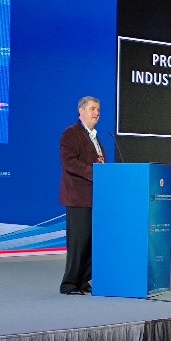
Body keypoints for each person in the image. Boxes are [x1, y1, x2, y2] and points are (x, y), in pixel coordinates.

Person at [59, 96, 105, 295]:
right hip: (78, 198)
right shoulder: (71, 133)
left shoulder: (95, 137)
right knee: (78, 243)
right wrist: (94, 173)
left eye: (98, 110)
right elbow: (70, 163)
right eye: (93, 109)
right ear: (81, 111)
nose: (97, 113)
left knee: (90, 242)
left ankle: (83, 280)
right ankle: (69, 283)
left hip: (94, 199)